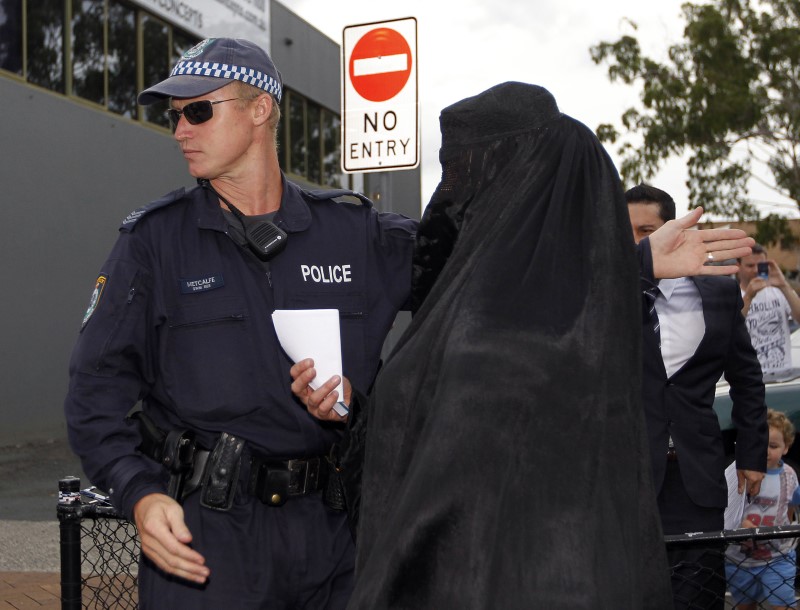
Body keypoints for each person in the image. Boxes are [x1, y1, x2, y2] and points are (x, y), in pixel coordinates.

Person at [292, 83, 758, 609]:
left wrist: (631, 264)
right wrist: (352, 410)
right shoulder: (491, 304)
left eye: (469, 168)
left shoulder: (507, 334)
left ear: (516, 179)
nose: (454, 188)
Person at [62, 37, 417, 609]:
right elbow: (93, 394)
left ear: (260, 110)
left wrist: (362, 407)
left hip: (336, 542)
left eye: (199, 111)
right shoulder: (153, 242)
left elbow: (472, 273)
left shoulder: (357, 234)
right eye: (175, 116)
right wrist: (139, 495)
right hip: (209, 542)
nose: (180, 130)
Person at [626, 183, 768, 610]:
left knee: (698, 596)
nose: (639, 244)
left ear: (672, 230)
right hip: (625, 477)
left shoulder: (720, 293)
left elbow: (746, 377)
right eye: (628, 233)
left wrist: (751, 454)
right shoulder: (604, 297)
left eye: (647, 231)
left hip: (697, 476)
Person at [725, 409, 799, 610]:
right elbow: (726, 507)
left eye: (773, 446)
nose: (766, 451)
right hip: (740, 560)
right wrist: (741, 524)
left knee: (782, 603)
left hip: (778, 557)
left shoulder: (789, 475)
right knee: (745, 605)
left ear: (786, 447)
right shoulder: (739, 472)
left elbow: (792, 505)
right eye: (760, 444)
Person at [738, 244, 800, 377]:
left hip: (782, 374)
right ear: (738, 267)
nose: (755, 270)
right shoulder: (733, 294)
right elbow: (730, 330)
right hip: (749, 378)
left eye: (760, 266)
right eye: (750, 266)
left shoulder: (778, 290)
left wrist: (784, 285)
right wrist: (748, 297)